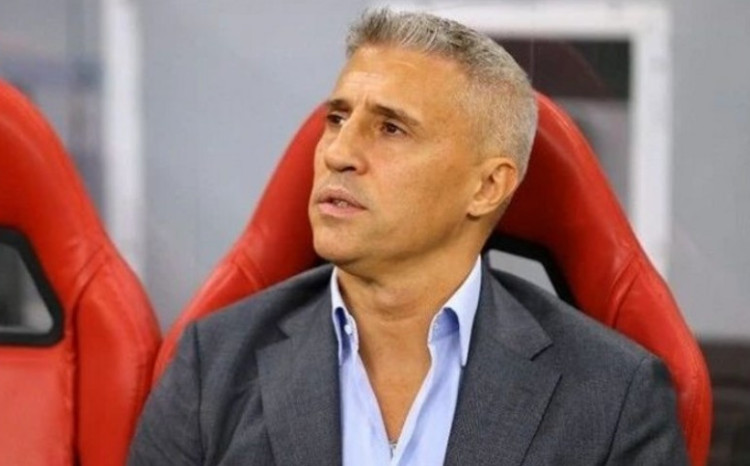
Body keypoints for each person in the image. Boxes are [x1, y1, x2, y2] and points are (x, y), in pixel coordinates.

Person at [129, 8, 688, 465]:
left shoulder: (615, 396)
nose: (338, 153)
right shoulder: (211, 365)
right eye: (337, 119)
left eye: (391, 128)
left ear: (487, 187)